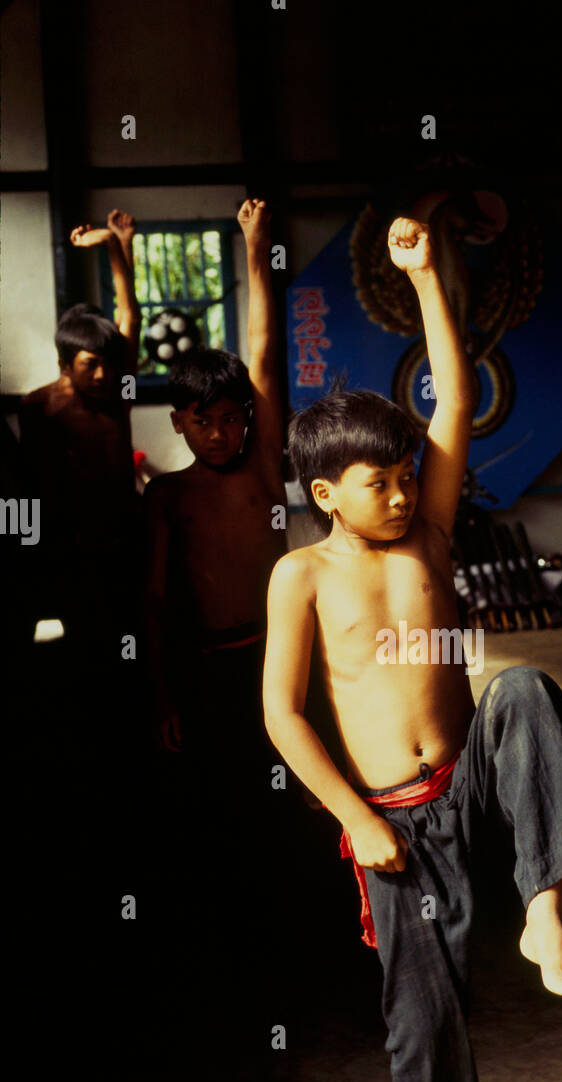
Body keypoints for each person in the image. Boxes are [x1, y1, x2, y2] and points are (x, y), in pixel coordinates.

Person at [262, 218, 562, 1082]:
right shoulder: (303, 578)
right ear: (327, 494)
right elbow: (281, 714)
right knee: (424, 1022)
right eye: (379, 483)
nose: (404, 491)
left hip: (473, 782)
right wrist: (357, 820)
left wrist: (424, 278)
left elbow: (452, 400)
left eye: (408, 475)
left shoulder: (430, 533)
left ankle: (543, 907)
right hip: (396, 823)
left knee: (524, 690)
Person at [142, 199, 286, 820]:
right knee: (217, 801)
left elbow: (263, 350)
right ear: (179, 423)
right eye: (205, 422)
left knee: (287, 794)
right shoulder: (168, 496)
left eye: (233, 419)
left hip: (277, 653)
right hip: (203, 666)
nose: (221, 434)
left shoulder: (262, 462)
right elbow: (150, 600)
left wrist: (255, 246)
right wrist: (161, 695)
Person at [18, 209, 141, 670]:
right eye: (91, 364)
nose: (104, 374)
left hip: (124, 541)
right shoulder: (38, 408)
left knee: (133, 639)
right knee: (83, 647)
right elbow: (31, 484)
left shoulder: (115, 395)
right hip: (67, 549)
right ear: (65, 362)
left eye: (109, 363)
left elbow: (130, 312)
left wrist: (115, 245)